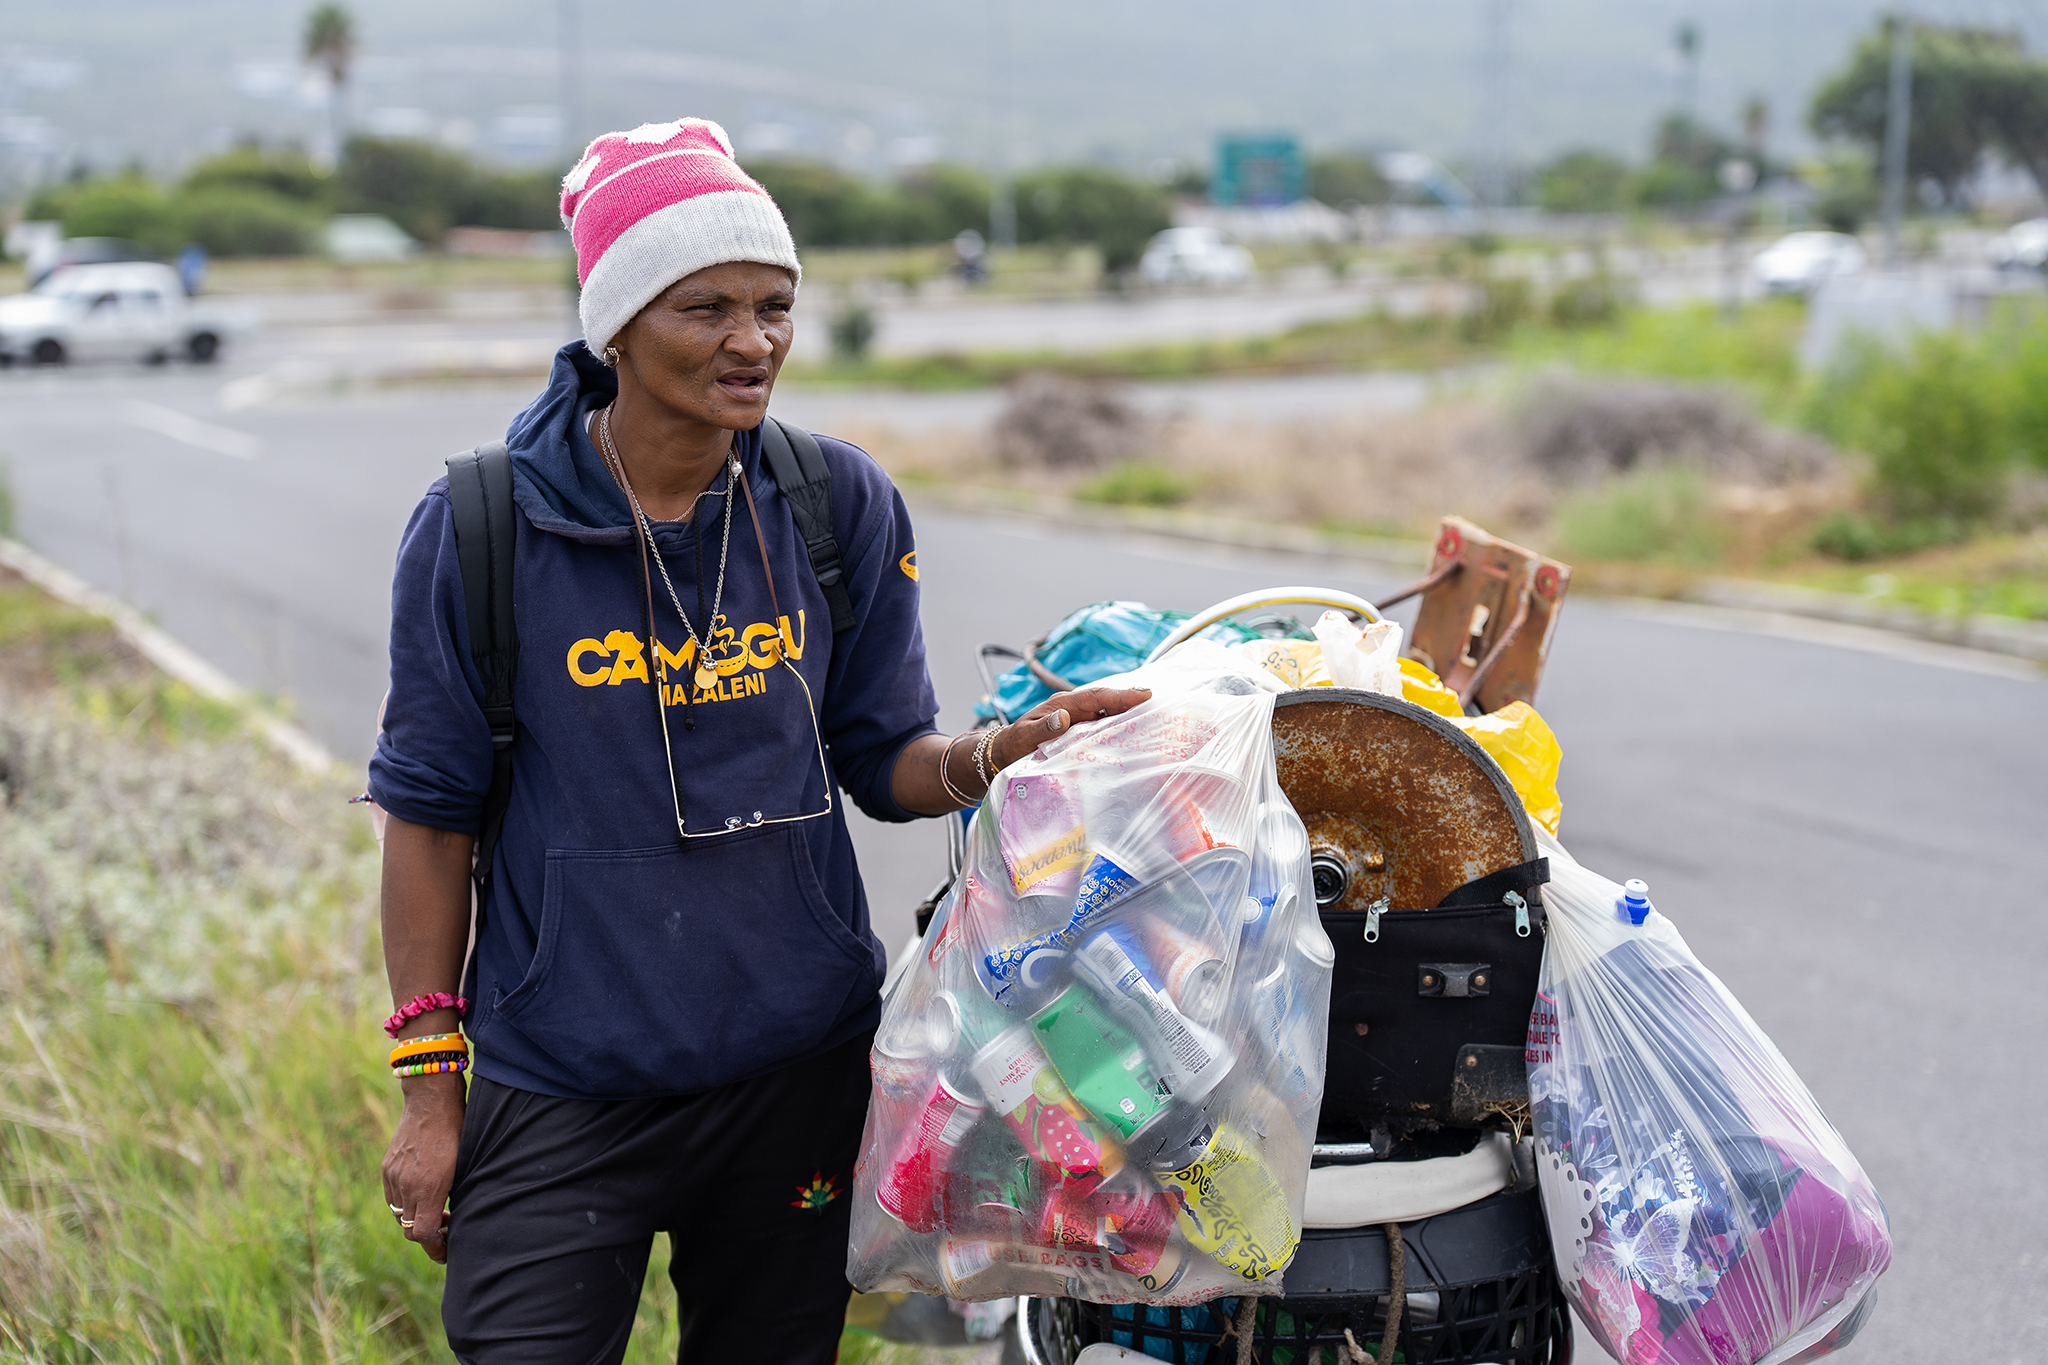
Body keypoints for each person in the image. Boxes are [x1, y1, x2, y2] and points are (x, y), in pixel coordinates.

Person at [367, 117, 1147, 1364]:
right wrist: (429, 1089)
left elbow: (888, 764)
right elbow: (429, 816)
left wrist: (1002, 751)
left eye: (774, 306)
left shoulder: (831, 501)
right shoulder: (479, 528)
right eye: (706, 308)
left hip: (794, 1075)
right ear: (614, 324)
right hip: (565, 1081)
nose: (752, 342)